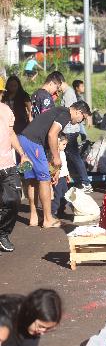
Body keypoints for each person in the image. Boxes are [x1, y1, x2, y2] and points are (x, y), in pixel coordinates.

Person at [19, 101, 90, 228]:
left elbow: (48, 137)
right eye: (82, 118)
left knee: (32, 180)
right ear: (79, 112)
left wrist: (53, 165)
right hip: (33, 142)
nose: (81, 121)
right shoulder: (65, 114)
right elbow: (52, 134)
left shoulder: (59, 111)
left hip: (25, 139)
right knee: (44, 179)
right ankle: (47, 219)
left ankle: (34, 217)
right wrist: (57, 158)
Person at [0, 97, 30, 252]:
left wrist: (22, 153)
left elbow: (11, 133)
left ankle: (3, 233)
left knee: (13, 200)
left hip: (8, 165)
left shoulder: (5, 110)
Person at [61, 79, 93, 192]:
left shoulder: (69, 94)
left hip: (70, 130)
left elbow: (74, 115)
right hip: (70, 130)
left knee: (74, 155)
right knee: (69, 155)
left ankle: (85, 182)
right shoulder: (68, 93)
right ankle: (73, 177)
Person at [51, 134, 70, 218]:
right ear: (57, 143)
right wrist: (54, 175)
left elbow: (65, 165)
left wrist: (67, 174)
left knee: (65, 195)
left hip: (63, 177)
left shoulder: (62, 153)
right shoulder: (55, 154)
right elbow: (53, 167)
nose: (65, 146)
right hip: (57, 178)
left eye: (66, 144)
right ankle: (52, 212)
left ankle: (61, 210)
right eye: (63, 144)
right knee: (57, 196)